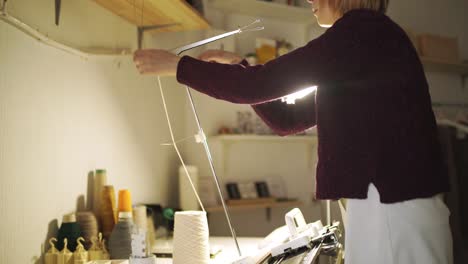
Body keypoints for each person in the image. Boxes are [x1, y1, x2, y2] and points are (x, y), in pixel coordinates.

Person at [133, 0, 453, 263]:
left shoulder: (362, 33)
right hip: (389, 207)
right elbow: (286, 119)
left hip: (392, 211)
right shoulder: (365, 46)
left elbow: (260, 85)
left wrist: (179, 66)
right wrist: (240, 68)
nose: (309, 0)